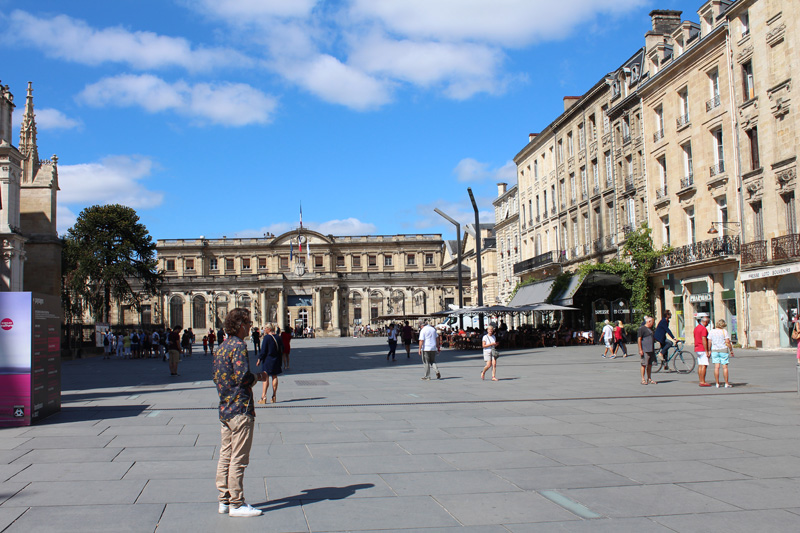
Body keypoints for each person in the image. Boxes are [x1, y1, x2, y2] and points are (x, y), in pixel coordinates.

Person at [213, 308, 267, 518]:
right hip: (240, 409)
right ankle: (237, 502)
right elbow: (243, 377)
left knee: (225, 455)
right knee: (239, 458)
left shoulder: (221, 347)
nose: (250, 327)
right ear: (240, 326)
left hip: (225, 408)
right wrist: (259, 377)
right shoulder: (238, 346)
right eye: (248, 324)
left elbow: (215, 377)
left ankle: (223, 500)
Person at [257, 323, 282, 403]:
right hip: (276, 359)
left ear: (269, 329)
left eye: (265, 328)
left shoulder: (267, 338)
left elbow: (263, 350)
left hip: (268, 359)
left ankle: (263, 397)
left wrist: (259, 359)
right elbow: (282, 348)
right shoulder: (278, 337)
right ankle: (274, 396)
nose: (264, 329)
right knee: (274, 376)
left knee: (265, 377)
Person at [708, 319, 734, 388]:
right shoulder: (724, 331)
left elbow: (709, 341)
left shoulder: (711, 331)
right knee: (725, 367)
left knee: (716, 367)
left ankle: (717, 383)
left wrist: (709, 350)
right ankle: (726, 383)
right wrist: (731, 350)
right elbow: (728, 342)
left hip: (715, 350)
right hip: (723, 350)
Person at [637, 316, 657, 385]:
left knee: (650, 365)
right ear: (649, 322)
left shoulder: (650, 329)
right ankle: (643, 379)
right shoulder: (642, 329)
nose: (653, 324)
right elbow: (639, 339)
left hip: (651, 349)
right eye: (653, 322)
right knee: (644, 364)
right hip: (645, 349)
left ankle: (649, 378)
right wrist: (640, 349)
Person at [694, 315, 712, 386]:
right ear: (704, 322)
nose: (707, 324)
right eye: (707, 322)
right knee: (704, 365)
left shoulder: (696, 328)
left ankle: (700, 380)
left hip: (697, 348)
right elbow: (704, 339)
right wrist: (707, 350)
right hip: (702, 348)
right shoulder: (703, 329)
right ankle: (703, 381)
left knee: (700, 365)